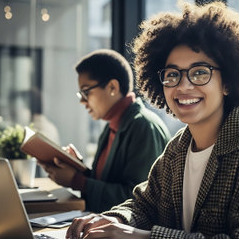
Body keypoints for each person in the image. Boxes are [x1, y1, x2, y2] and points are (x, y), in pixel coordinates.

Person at [66, 0, 239, 238]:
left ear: (228, 82)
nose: (183, 86)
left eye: (200, 72)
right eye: (172, 75)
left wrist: (139, 236)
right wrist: (112, 219)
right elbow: (144, 205)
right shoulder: (178, 148)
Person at [39, 49, 171, 213]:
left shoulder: (143, 126)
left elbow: (138, 201)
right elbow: (109, 183)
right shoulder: (112, 125)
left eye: (86, 92)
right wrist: (78, 169)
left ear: (112, 87)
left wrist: (77, 180)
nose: (82, 101)